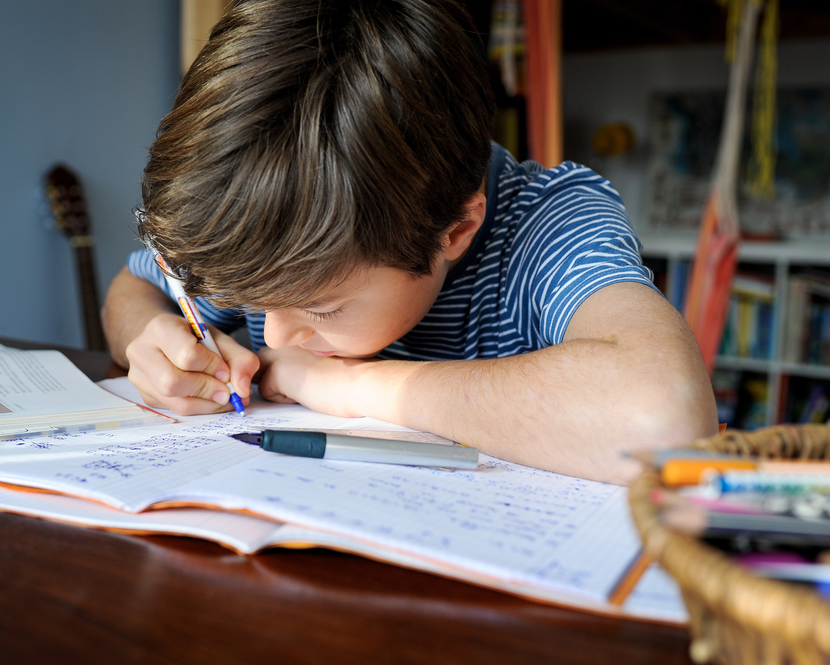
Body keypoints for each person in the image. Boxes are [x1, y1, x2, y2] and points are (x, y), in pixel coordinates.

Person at [102, 0, 717, 485]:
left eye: (322, 307)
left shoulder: (551, 223)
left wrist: (339, 387)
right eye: (254, 301)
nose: (276, 336)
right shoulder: (272, 227)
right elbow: (132, 288)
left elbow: (664, 418)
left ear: (455, 229)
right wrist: (150, 344)